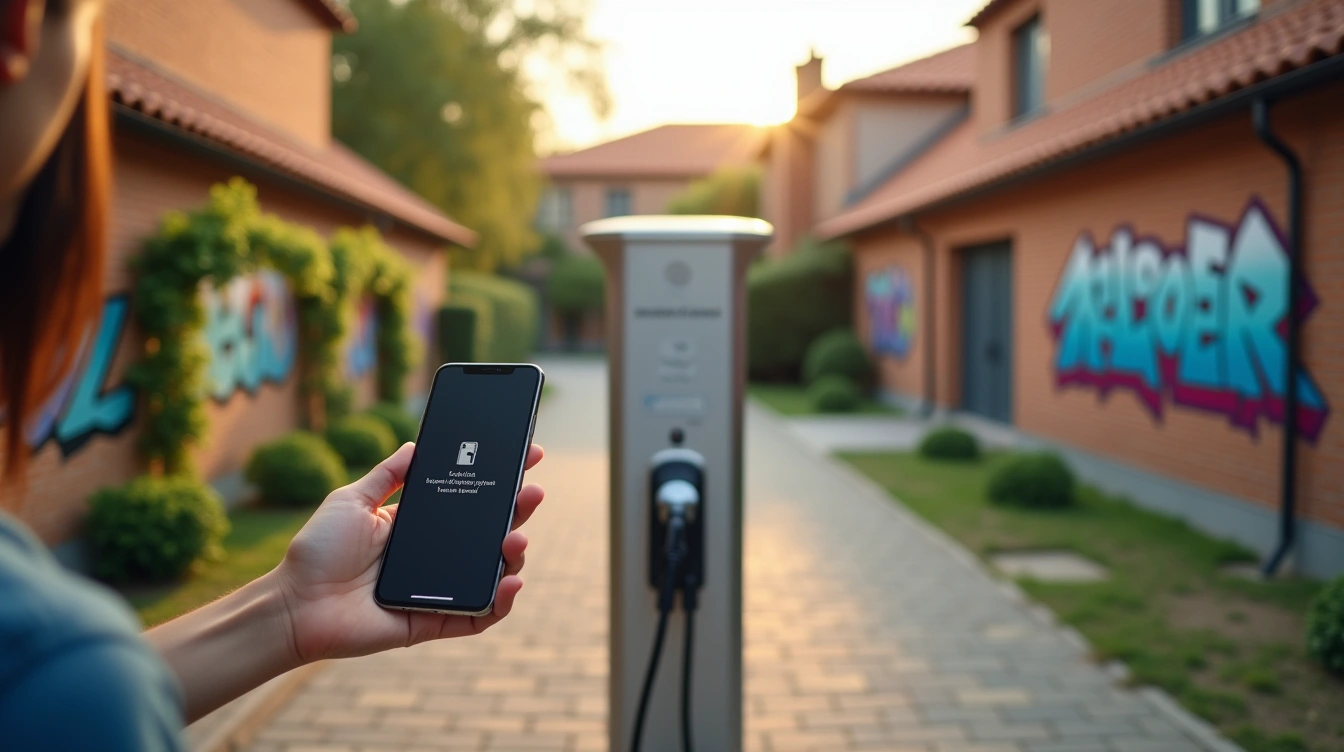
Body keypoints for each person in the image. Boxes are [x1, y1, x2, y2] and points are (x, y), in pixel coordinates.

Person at [0, 1, 546, 748]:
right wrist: (88, 676)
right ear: (22, 30)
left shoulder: (62, 673)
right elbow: (60, 694)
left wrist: (290, 608)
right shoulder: (61, 681)